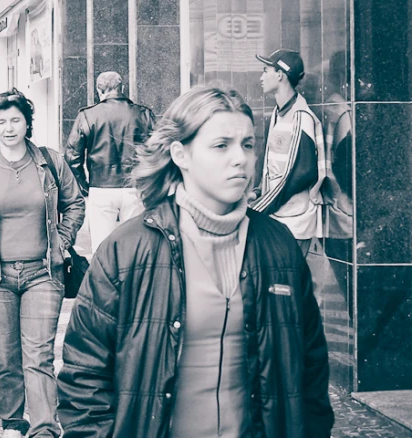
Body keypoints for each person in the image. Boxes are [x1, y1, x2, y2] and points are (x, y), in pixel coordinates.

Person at [56, 86, 334, 437]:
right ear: (180, 154)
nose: (241, 158)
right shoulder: (126, 250)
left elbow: (311, 371)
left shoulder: (279, 247)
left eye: (247, 144)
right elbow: (83, 377)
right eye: (221, 145)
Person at [0, 89, 85, 438]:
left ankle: (43, 428)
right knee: (7, 356)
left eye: (15, 120)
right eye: (1, 121)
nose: (9, 128)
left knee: (37, 355)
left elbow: (75, 203)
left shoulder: (49, 162)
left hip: (44, 272)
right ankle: (11, 421)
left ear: (27, 123)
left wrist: (63, 241)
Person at [64, 71, 156, 252]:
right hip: (134, 187)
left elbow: (72, 157)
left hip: (101, 188)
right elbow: (157, 151)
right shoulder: (143, 114)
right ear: (122, 88)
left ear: (99, 91)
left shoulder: (88, 115)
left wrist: (84, 186)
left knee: (102, 249)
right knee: (134, 248)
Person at [251, 49, 325, 256]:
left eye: (266, 71)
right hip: (278, 215)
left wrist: (259, 207)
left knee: (288, 283)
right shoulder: (278, 113)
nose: (261, 77)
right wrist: (258, 191)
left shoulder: (301, 117)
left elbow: (300, 173)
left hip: (294, 219)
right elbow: (271, 165)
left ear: (280, 74)